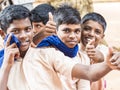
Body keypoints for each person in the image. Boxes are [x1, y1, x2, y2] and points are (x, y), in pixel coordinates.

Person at [0, 4, 120, 90]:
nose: (23, 36)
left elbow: (88, 71)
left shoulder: (46, 53)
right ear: (3, 33)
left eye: (27, 29)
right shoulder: (4, 62)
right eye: (16, 31)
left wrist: (108, 65)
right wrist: (6, 66)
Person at [80, 12, 109, 90]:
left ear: (102, 37)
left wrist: (95, 55)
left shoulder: (103, 49)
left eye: (97, 32)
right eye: (87, 29)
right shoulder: (73, 50)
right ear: (79, 29)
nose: (91, 34)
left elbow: (102, 57)